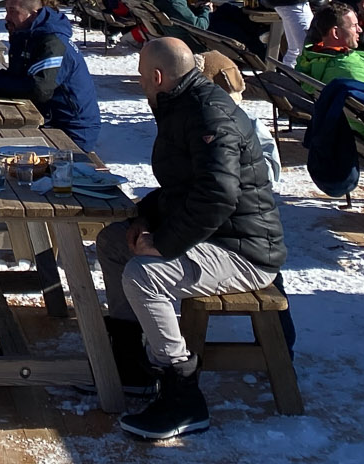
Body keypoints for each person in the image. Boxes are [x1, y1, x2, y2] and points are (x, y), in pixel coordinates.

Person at [97, 38, 285, 441]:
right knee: (115, 242)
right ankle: (132, 367)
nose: (140, 83)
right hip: (215, 235)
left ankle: (182, 394)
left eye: (142, 76)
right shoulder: (180, 105)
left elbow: (217, 195)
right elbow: (183, 187)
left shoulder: (206, 113)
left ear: (158, 77)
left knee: (146, 274)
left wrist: (164, 243)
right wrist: (146, 216)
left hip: (244, 249)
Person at [0, 0, 100, 155]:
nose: (6, 18)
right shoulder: (27, 37)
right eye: (6, 11)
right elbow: (17, 77)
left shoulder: (53, 43)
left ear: (33, 15)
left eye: (13, 12)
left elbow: (38, 89)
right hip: (47, 119)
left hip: (70, 131)